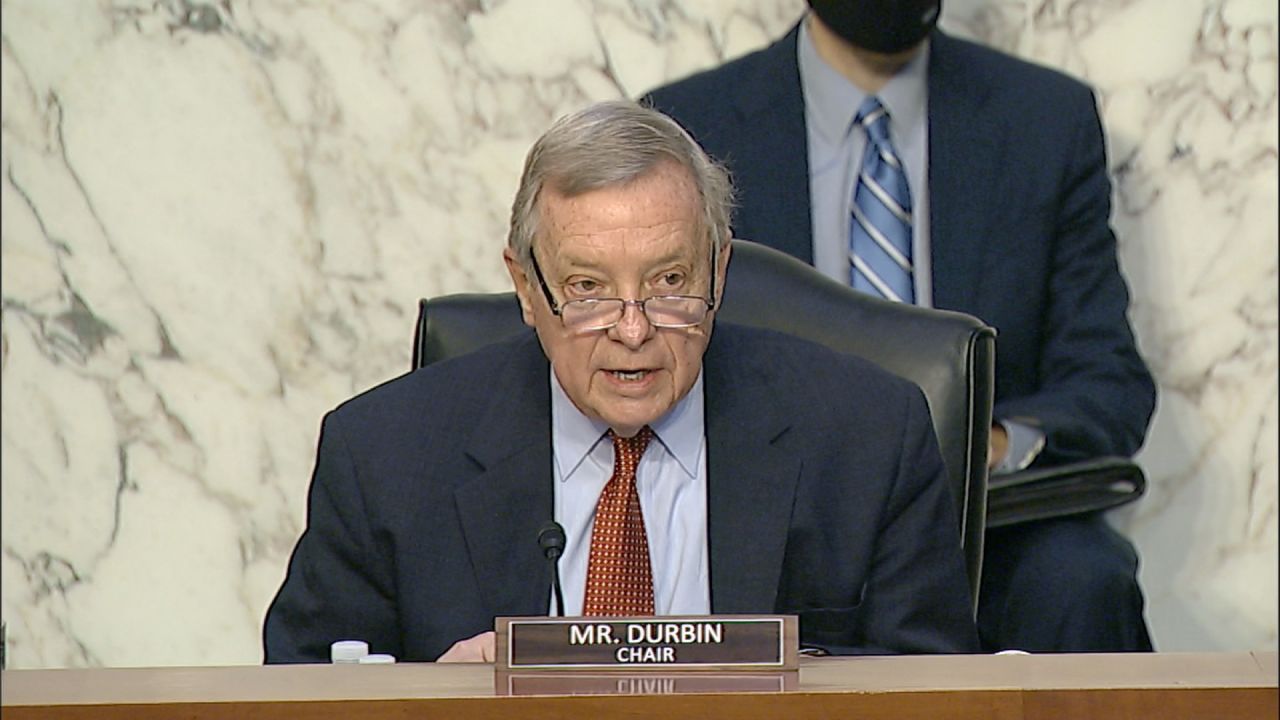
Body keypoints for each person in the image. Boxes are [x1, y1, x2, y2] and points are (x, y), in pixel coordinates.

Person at [262, 100, 979, 663]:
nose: (632, 331)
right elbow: (305, 688)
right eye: (587, 289)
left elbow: (937, 688)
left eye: (670, 282)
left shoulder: (866, 436)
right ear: (524, 284)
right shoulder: (384, 455)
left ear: (718, 271)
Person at [643, 1, 1157, 652]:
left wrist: (979, 449)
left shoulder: (1045, 121)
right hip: (777, 521)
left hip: (987, 528)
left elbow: (1107, 380)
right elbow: (652, 355)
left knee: (1084, 580)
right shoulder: (688, 126)